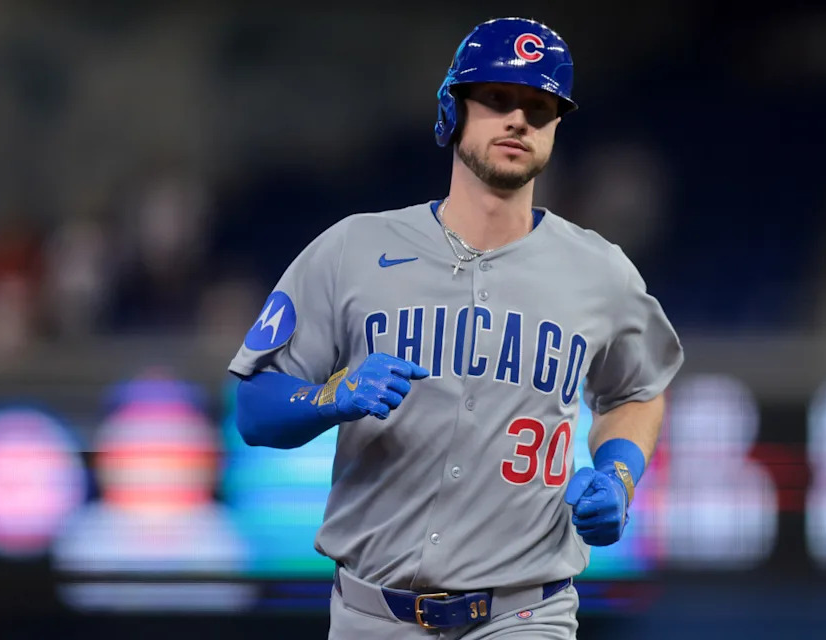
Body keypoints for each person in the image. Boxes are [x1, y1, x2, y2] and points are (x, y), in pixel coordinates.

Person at [229, 16, 684, 639]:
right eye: (497, 99)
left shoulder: (600, 271)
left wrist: (620, 476)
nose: (519, 119)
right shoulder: (353, 248)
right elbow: (254, 407)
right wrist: (331, 396)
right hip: (372, 612)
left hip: (526, 610)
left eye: (539, 106)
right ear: (453, 111)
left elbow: (638, 389)